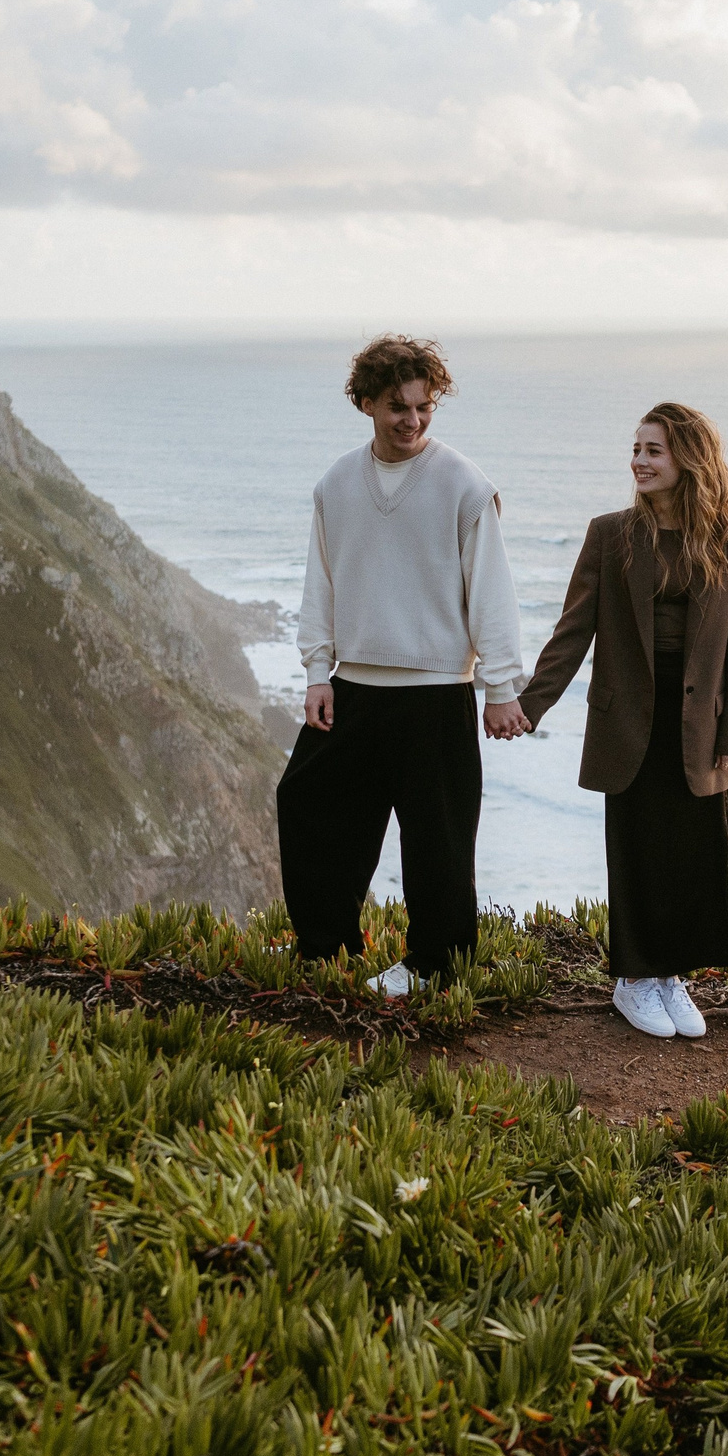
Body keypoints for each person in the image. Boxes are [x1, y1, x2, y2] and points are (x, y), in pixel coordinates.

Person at [277, 334, 530, 998]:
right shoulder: (335, 484)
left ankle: (436, 963)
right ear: (365, 403)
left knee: (438, 840)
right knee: (306, 802)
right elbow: (320, 585)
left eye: (424, 407)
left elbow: (493, 593)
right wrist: (315, 672)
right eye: (398, 407)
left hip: (436, 693)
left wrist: (500, 687)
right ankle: (325, 942)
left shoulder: (464, 485)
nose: (413, 420)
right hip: (354, 687)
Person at [518, 402, 728, 1039]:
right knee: (639, 842)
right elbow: (573, 633)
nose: (639, 462)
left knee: (694, 847)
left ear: (688, 461)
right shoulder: (611, 534)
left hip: (697, 717)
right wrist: (529, 705)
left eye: (653, 451)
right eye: (637, 449)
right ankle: (632, 979)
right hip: (631, 714)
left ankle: (669, 972)